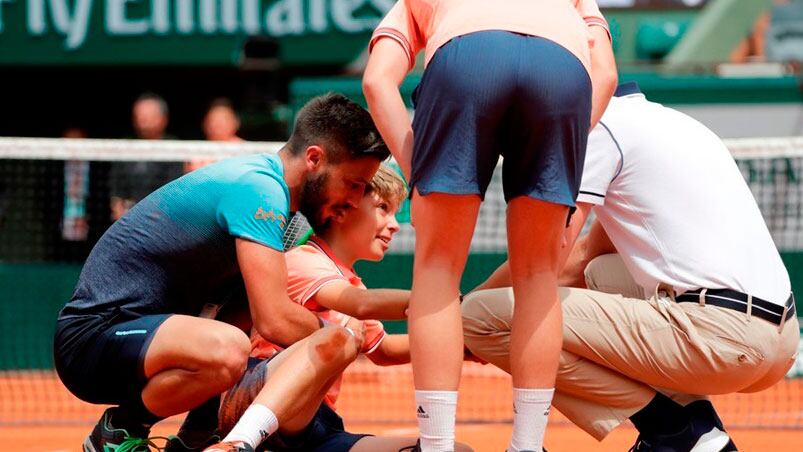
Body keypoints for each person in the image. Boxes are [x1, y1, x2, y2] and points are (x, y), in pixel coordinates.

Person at [461, 83, 800, 451]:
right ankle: (699, 426)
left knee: (478, 316)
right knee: (601, 275)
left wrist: (458, 316)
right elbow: (583, 262)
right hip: (780, 341)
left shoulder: (597, 130)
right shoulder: (670, 123)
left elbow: (546, 258)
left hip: (722, 337)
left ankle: (672, 429)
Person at [53, 93, 390, 452]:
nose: (355, 200)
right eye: (353, 183)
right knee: (229, 350)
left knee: (236, 323)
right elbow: (275, 320)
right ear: (314, 159)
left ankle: (197, 436)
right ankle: (119, 429)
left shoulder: (275, 200)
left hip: (148, 340)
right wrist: (342, 339)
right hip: (94, 337)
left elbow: (241, 317)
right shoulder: (260, 190)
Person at [362, 1, 618, 450]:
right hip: (563, 71)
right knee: (539, 274)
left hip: (467, 60)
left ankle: (437, 445)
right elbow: (606, 75)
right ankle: (528, 445)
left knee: (438, 268)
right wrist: (565, 147)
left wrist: (416, 169)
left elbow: (377, 79)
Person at [203, 165, 472, 452]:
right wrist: (448, 302)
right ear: (342, 210)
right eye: (383, 208)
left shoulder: (352, 282)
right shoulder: (304, 259)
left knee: (458, 451)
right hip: (256, 395)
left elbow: (383, 351)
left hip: (313, 427)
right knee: (340, 336)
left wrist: (462, 344)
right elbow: (361, 305)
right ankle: (238, 442)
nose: (395, 225)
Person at [110, 92, 183, 220]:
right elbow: (117, 192)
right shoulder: (124, 147)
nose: (143, 120)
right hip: (128, 221)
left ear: (163, 118)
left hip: (163, 220)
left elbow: (173, 193)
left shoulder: (174, 148)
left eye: (149, 115)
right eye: (139, 115)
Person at [186, 99, 244, 173]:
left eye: (223, 119)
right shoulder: (195, 151)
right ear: (205, 123)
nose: (217, 124)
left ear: (235, 123)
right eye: (213, 120)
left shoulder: (246, 150)